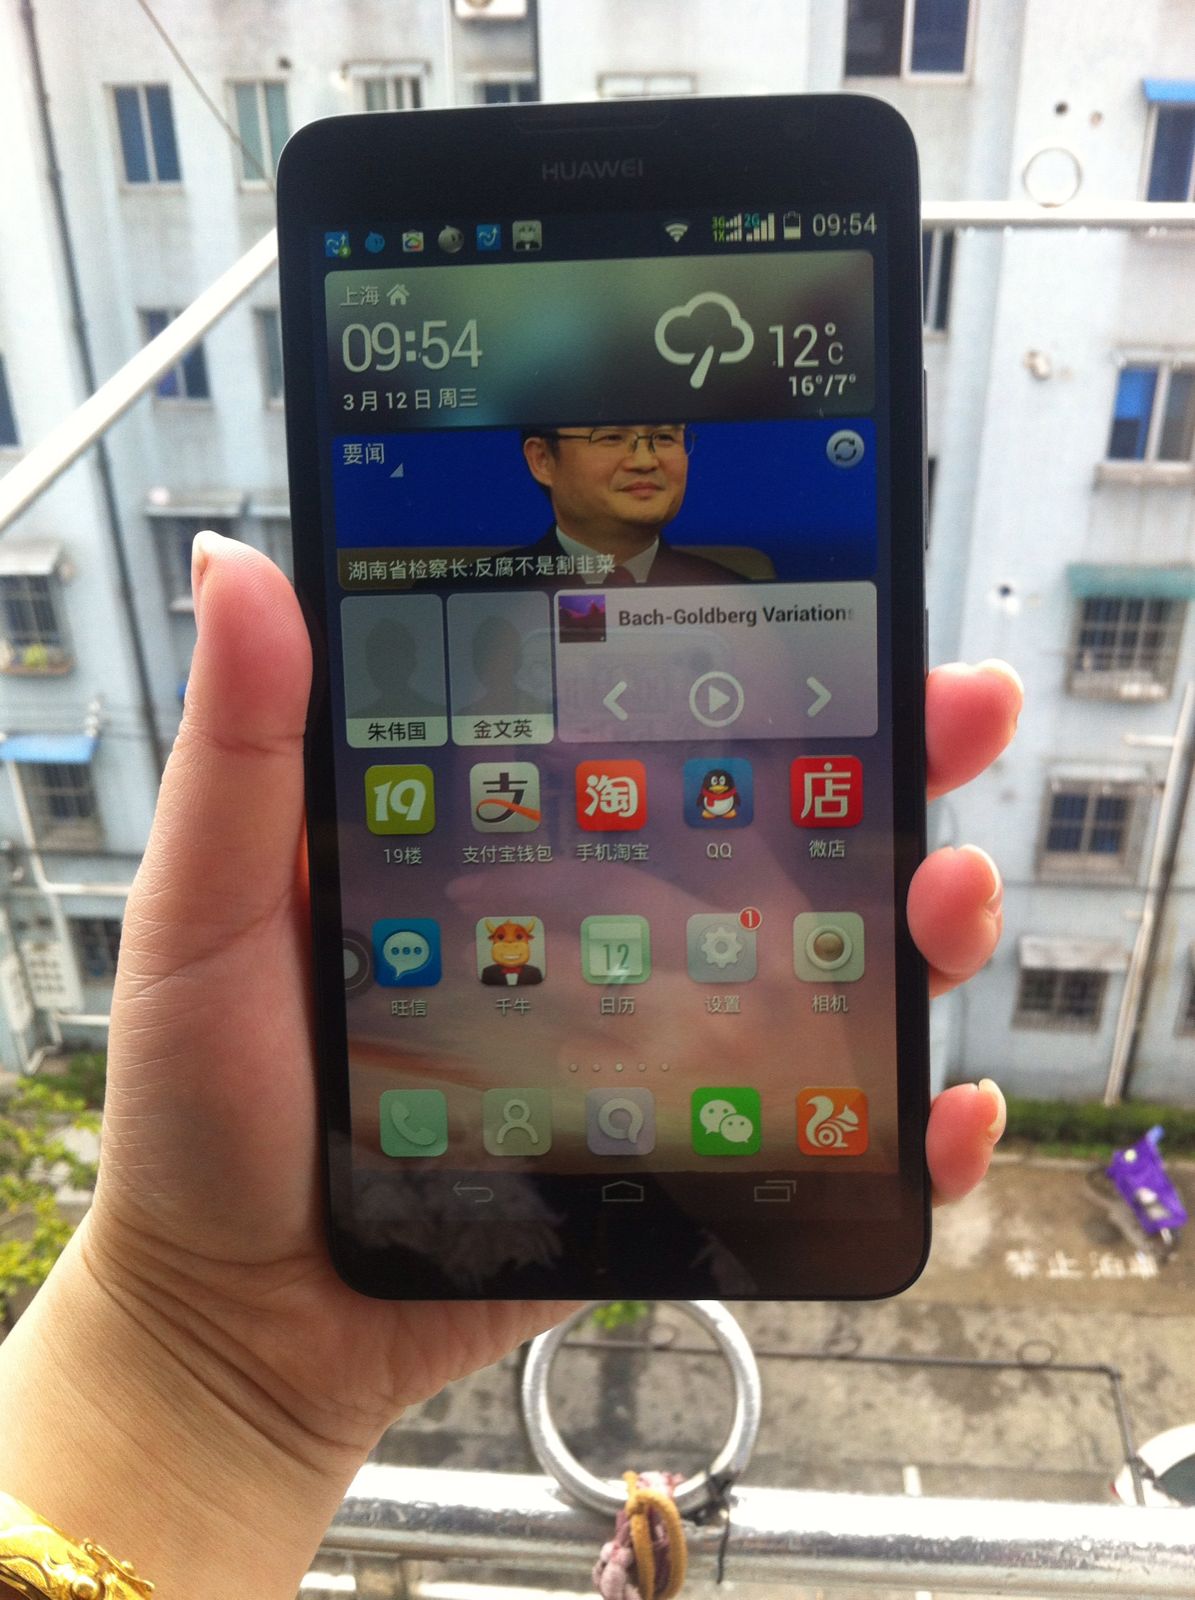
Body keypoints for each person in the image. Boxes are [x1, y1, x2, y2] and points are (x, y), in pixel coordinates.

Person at [0, 533, 1022, 1599]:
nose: (613, 760)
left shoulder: (795, 1032)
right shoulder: (361, 1022)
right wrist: (189, 1332)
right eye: (553, 696)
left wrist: (803, 1203)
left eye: (716, 725)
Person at [521, 424, 744, 583]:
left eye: (664, 436)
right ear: (543, 460)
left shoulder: (734, 599)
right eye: (612, 437)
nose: (645, 461)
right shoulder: (502, 593)